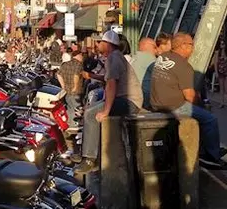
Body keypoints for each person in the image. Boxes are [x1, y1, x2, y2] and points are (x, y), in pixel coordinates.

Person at [150, 32, 227, 167]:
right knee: (209, 119)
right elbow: (189, 96)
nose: (193, 48)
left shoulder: (163, 57)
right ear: (183, 46)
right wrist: (200, 105)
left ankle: (207, 147)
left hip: (156, 103)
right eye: (191, 45)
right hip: (174, 106)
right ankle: (210, 155)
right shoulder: (184, 66)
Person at [77, 30, 143, 173]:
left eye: (100, 42)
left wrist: (105, 111)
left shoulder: (113, 58)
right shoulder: (115, 57)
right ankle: (92, 153)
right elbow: (108, 78)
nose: (97, 44)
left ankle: (89, 159)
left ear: (108, 44)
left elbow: (112, 85)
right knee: (92, 109)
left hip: (129, 101)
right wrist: (92, 76)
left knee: (90, 114)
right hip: (128, 99)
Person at [57, 50, 83, 131]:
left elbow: (58, 74)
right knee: (76, 107)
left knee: (69, 107)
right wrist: (75, 86)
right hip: (76, 91)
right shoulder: (78, 64)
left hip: (67, 91)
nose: (82, 57)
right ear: (78, 56)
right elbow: (76, 75)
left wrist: (63, 86)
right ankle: (74, 125)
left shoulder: (65, 64)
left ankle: (69, 123)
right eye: (81, 55)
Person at [130, 37, 157, 107]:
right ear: (147, 46)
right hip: (144, 100)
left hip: (131, 98)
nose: (156, 50)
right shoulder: (149, 59)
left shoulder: (134, 58)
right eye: (155, 47)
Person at [215, 43, 227, 108]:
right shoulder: (218, 52)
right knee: (221, 87)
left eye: (223, 44)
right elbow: (216, 62)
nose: (222, 45)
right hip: (220, 71)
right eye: (221, 44)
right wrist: (216, 72)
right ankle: (222, 102)